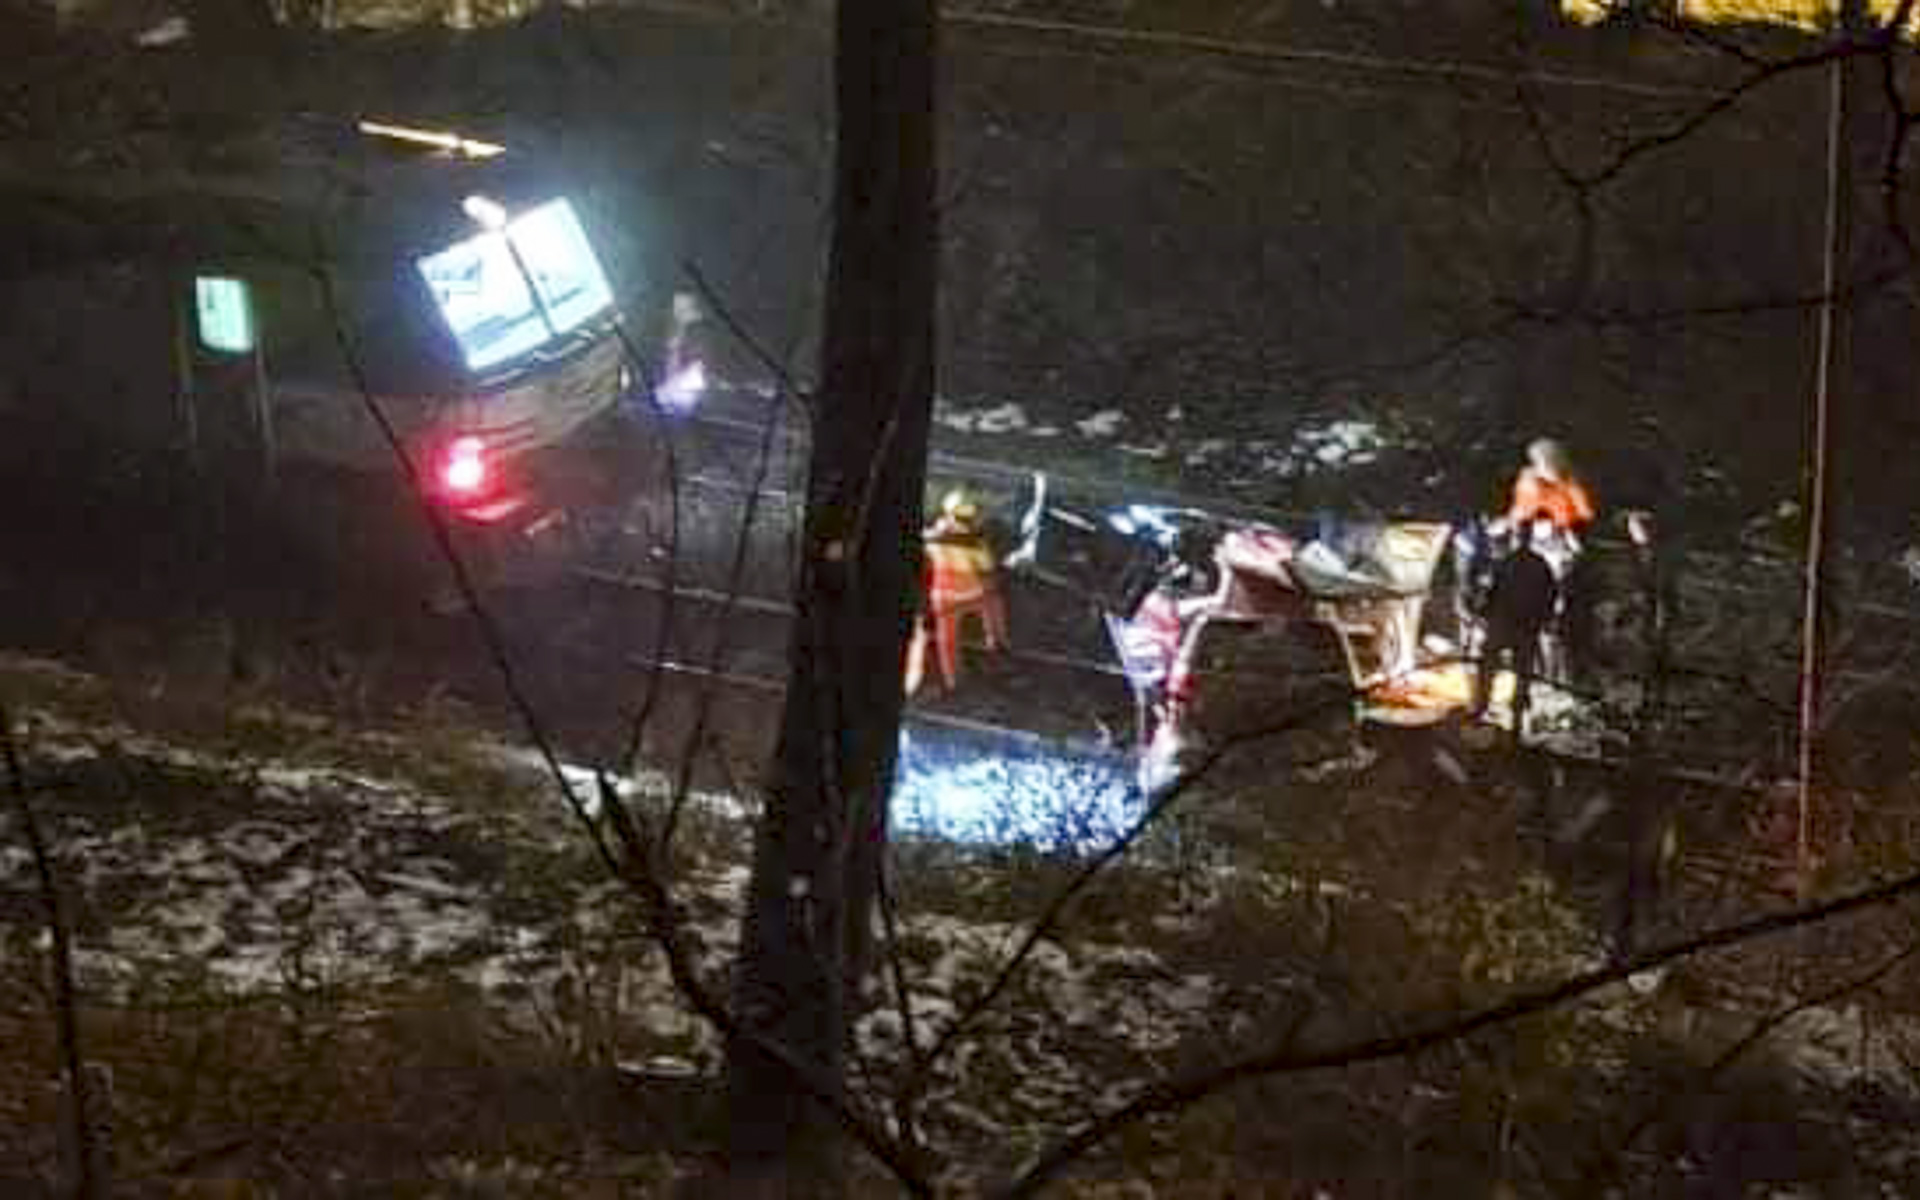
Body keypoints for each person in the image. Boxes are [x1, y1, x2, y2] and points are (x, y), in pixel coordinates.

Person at [914, 490, 1009, 692]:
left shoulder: (930, 538)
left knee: (947, 642)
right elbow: (988, 569)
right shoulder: (976, 544)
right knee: (994, 603)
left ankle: (954, 682)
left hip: (943, 598)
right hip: (973, 595)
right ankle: (997, 645)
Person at [1472, 519, 1559, 737]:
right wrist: (1543, 619)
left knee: (1491, 664)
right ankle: (1514, 714)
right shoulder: (1539, 564)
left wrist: (1484, 612)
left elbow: (1492, 591)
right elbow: (1551, 594)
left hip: (1507, 623)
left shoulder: (1507, 562)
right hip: (1522, 625)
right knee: (1520, 669)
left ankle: (1484, 706)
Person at [1506, 437, 1596, 543]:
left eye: (1549, 465)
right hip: (1535, 527)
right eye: (1540, 465)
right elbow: (1521, 505)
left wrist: (1574, 524)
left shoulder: (1572, 485)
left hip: (1564, 527)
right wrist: (1516, 519)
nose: (1544, 469)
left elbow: (1585, 511)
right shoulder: (1528, 481)